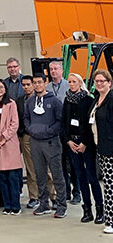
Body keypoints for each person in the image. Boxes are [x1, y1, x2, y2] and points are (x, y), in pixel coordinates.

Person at [23, 73, 67, 218]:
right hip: (35, 142)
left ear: (45, 83)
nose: (37, 85)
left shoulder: (54, 101)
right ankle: (43, 204)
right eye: (34, 83)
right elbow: (26, 118)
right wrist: (30, 130)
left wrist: (49, 131)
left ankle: (61, 205)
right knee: (39, 174)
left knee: (57, 175)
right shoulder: (30, 102)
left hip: (51, 142)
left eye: (39, 82)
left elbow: (60, 121)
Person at [63, 72, 103, 224]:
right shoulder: (67, 100)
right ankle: (87, 209)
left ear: (80, 83)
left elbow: (90, 123)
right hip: (72, 145)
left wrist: (84, 143)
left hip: (86, 145)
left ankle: (100, 209)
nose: (71, 84)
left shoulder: (88, 100)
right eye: (69, 82)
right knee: (80, 178)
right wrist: (68, 141)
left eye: (74, 82)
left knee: (92, 177)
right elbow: (64, 123)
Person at [17, 75, 55, 210]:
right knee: (31, 168)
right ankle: (34, 197)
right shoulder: (20, 101)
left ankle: (53, 196)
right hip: (27, 136)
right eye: (24, 85)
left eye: (29, 84)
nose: (26, 87)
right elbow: (22, 119)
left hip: (45, 136)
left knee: (47, 168)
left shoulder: (46, 99)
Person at [0, 79, 23, 215]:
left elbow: (15, 124)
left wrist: (4, 137)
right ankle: (7, 205)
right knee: (1, 178)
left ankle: (16, 206)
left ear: (5, 89)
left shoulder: (11, 103)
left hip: (9, 143)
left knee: (13, 178)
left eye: (1, 87)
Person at [47, 59, 79, 204]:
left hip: (70, 131)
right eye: (51, 69)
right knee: (59, 164)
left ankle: (76, 192)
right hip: (55, 131)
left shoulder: (69, 85)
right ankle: (65, 192)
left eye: (56, 69)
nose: (53, 71)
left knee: (73, 163)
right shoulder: (46, 87)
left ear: (61, 70)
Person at [90, 69, 113, 234]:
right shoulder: (97, 99)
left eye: (102, 81)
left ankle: (111, 222)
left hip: (111, 148)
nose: (99, 84)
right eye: (97, 81)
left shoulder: (111, 99)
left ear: (109, 83)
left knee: (110, 186)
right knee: (107, 184)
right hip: (102, 148)